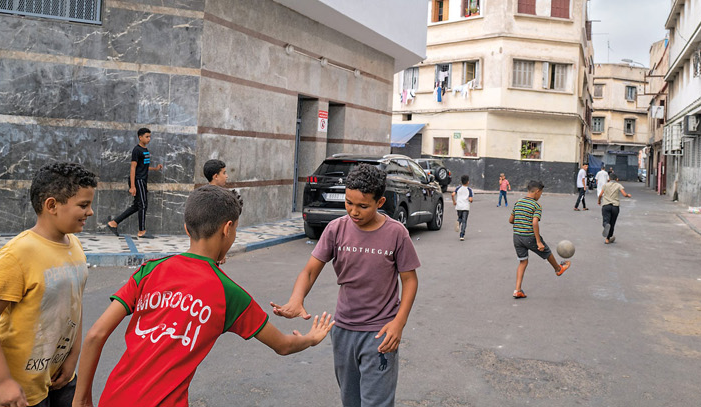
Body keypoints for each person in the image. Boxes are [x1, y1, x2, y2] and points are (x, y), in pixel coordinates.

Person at [75, 186, 334, 406]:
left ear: (187, 228)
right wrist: (311, 339)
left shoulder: (150, 270)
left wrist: (82, 399)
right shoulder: (229, 294)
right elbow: (283, 345)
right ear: (228, 228)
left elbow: (96, 335)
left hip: (114, 397)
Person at [271, 164, 421, 407]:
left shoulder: (396, 233)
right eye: (348, 202)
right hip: (343, 330)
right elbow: (310, 271)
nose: (354, 211)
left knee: (376, 403)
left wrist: (398, 323)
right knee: (350, 400)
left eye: (363, 206)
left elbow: (410, 280)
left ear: (380, 201)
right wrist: (296, 299)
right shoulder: (336, 229)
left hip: (381, 332)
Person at [0, 162, 96, 407]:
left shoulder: (76, 247)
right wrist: (2, 381)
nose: (90, 212)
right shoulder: (18, 254)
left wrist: (73, 357)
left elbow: (75, 307)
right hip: (20, 392)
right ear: (52, 205)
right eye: (83, 205)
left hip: (59, 377)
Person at [510, 180, 571, 299]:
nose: (540, 196)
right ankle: (558, 269)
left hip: (517, 237)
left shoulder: (518, 202)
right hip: (529, 236)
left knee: (523, 262)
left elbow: (511, 220)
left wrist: (520, 220)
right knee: (546, 251)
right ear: (537, 192)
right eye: (541, 194)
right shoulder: (536, 205)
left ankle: (517, 290)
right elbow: (534, 223)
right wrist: (538, 241)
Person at [108, 128, 161, 238]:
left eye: (150, 136)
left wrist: (155, 169)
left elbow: (143, 167)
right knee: (143, 205)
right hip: (138, 181)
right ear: (140, 137)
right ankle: (141, 231)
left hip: (142, 180)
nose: (149, 139)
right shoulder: (136, 150)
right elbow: (133, 168)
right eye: (147, 136)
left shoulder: (145, 150)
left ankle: (114, 223)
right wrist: (132, 186)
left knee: (137, 206)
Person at [598, 171, 632, 244]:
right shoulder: (618, 185)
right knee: (612, 223)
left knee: (606, 221)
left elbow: (600, 195)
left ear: (609, 179)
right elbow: (624, 194)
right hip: (615, 207)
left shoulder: (605, 185)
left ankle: (606, 225)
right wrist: (628, 195)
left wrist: (599, 201)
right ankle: (607, 239)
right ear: (616, 179)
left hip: (606, 205)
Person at [453, 175, 474, 241]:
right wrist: (471, 200)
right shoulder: (469, 190)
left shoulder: (458, 188)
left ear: (461, 181)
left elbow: (452, 194)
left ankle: (458, 222)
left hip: (459, 206)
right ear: (468, 182)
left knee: (460, 218)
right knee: (464, 221)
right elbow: (470, 199)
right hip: (465, 207)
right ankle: (462, 235)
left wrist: (454, 201)